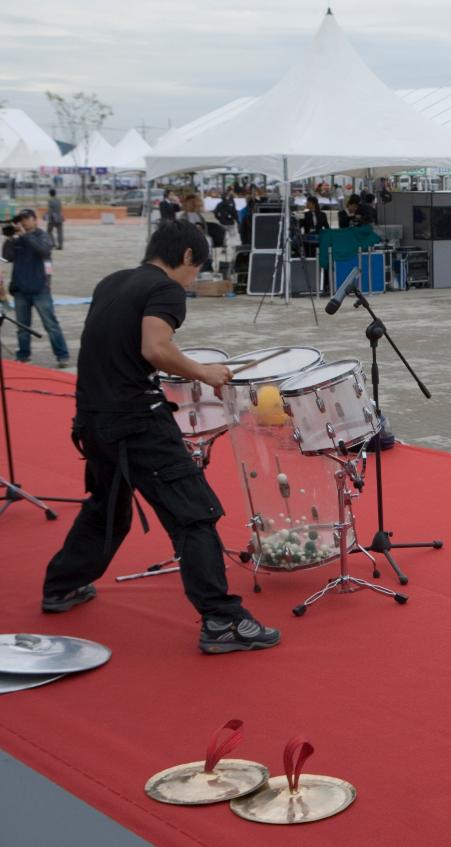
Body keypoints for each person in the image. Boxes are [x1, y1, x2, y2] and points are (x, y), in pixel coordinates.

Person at [40, 221, 280, 654]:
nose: (192, 281)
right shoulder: (165, 289)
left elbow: (121, 349)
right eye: (196, 270)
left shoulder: (112, 282)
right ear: (187, 257)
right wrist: (205, 372)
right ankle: (222, 620)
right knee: (194, 513)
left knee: (107, 508)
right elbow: (155, 347)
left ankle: (62, 586)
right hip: (137, 421)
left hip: (93, 418)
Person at [3, 209, 71, 367]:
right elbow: (6, 258)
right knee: (22, 327)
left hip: (40, 289)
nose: (24, 222)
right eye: (22, 219)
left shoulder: (43, 236)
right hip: (20, 290)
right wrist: (10, 238)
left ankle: (62, 355)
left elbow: (43, 250)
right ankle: (23, 355)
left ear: (35, 220)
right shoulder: (17, 238)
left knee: (51, 325)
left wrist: (24, 236)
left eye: (27, 219)